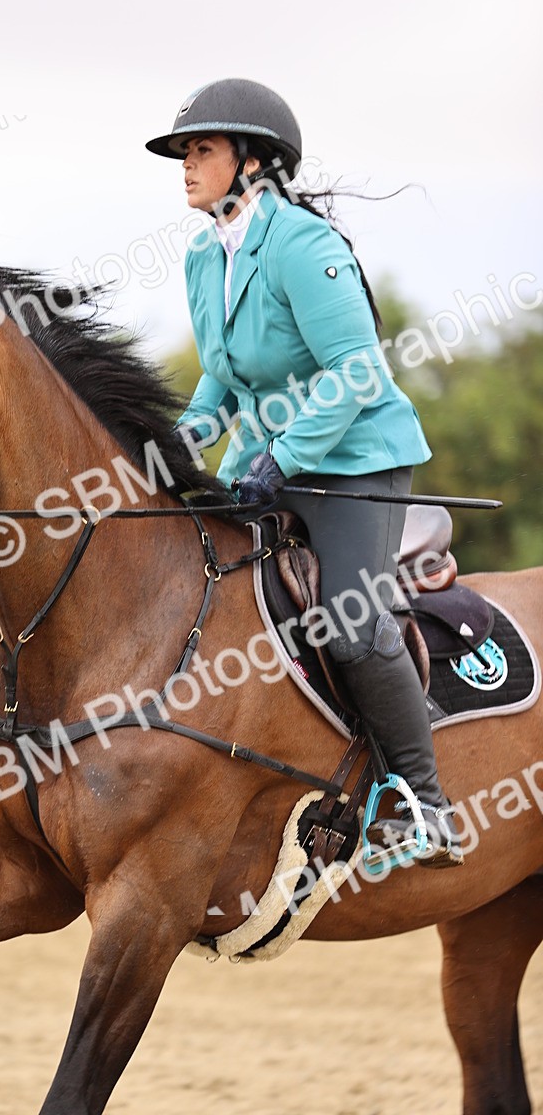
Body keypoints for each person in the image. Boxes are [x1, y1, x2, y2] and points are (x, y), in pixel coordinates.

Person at [145, 78, 463, 868]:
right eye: (185, 151)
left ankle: (428, 805)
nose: (187, 165)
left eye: (203, 150)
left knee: (352, 627)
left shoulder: (302, 246)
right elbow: (222, 378)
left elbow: (356, 371)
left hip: (355, 462)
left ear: (253, 162)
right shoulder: (201, 256)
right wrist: (172, 452)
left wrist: (280, 457)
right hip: (267, 464)